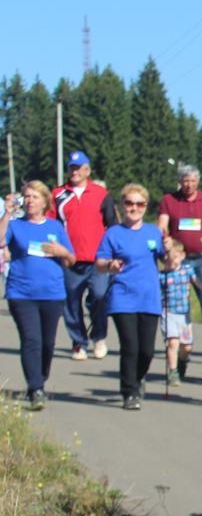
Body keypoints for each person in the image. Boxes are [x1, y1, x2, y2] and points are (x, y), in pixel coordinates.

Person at [1, 181, 76, 408]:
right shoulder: (16, 225)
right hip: (21, 293)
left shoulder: (55, 227)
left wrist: (61, 251)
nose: (30, 201)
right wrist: (7, 213)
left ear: (45, 202)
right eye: (27, 197)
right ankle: (36, 388)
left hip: (52, 293)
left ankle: (40, 379)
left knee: (47, 343)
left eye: (34, 197)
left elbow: (71, 259)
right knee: (31, 340)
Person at [96, 184, 165, 410]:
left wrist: (171, 251)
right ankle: (129, 392)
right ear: (122, 206)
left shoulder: (154, 233)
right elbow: (99, 264)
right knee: (130, 347)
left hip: (149, 297)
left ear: (145, 207)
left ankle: (138, 378)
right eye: (129, 203)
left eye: (139, 204)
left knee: (147, 350)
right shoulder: (113, 233)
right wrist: (110, 264)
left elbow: (169, 262)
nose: (134, 208)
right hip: (122, 296)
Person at [49, 150, 117, 361]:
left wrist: (113, 253)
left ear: (87, 170)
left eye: (79, 168)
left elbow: (112, 225)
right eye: (71, 168)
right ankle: (78, 342)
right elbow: (52, 225)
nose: (75, 171)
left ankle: (99, 337)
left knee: (98, 296)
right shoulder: (58, 194)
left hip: (97, 260)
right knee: (71, 301)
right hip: (69, 259)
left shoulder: (101, 194)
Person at [157, 164, 202, 359]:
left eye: (192, 181)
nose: (189, 185)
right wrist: (164, 240)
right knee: (175, 301)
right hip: (179, 259)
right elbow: (162, 225)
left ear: (198, 182)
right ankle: (176, 343)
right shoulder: (169, 200)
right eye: (185, 181)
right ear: (180, 182)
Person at [160, 238, 202, 388]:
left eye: (175, 256)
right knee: (172, 342)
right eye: (168, 257)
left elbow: (198, 283)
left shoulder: (186, 270)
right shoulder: (161, 275)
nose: (171, 260)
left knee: (186, 347)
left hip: (184, 314)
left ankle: (182, 361)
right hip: (168, 313)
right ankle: (172, 371)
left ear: (182, 256)